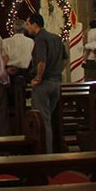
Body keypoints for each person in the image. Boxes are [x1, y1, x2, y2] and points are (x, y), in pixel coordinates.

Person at [26, 13, 65, 152]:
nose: (27, 27)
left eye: (28, 24)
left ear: (35, 24)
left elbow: (41, 61)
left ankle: (46, 153)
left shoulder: (40, 39)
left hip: (44, 84)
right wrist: (58, 71)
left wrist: (38, 78)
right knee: (48, 117)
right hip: (56, 82)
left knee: (43, 121)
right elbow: (65, 60)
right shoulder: (56, 38)